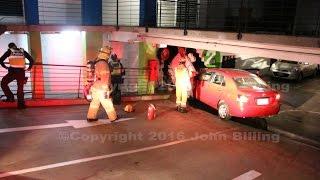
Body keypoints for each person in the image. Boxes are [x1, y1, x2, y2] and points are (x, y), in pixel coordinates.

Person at [87, 46, 117, 122]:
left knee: (94, 103)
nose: (109, 56)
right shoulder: (104, 64)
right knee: (107, 103)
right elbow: (105, 77)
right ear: (106, 54)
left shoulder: (96, 63)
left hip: (95, 87)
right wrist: (107, 89)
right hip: (102, 88)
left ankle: (91, 116)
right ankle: (113, 117)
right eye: (108, 54)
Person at [0, 42, 34, 109]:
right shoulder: (22, 51)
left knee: (3, 83)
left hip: (12, 72)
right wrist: (29, 68)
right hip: (21, 73)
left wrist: (5, 67)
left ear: (9, 47)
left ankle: (10, 98)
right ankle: (21, 105)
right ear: (15, 46)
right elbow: (31, 60)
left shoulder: (9, 51)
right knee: (20, 88)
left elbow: (0, 60)